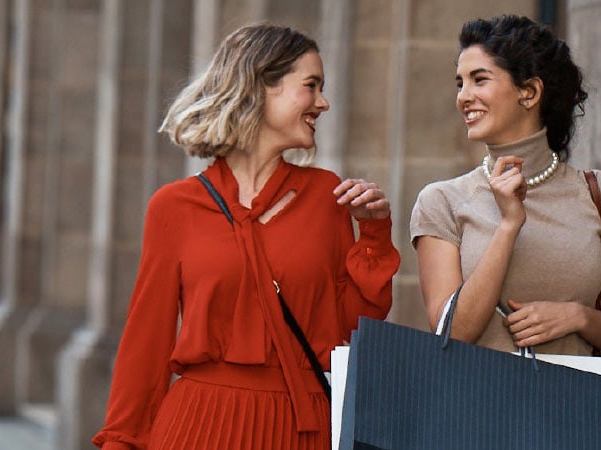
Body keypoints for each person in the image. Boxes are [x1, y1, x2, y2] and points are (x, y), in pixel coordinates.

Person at [92, 24, 401, 450]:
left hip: (300, 429)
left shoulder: (326, 196)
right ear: (260, 87)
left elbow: (353, 326)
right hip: (197, 426)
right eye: (311, 86)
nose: (323, 103)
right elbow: (146, 342)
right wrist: (121, 443)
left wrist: (373, 232)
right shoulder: (174, 206)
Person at [410, 15, 601, 356]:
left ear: (530, 92)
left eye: (479, 80)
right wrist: (508, 226)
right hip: (476, 406)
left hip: (572, 406)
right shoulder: (442, 201)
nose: (463, 96)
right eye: (460, 83)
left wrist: (578, 317)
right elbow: (452, 335)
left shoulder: (597, 194)